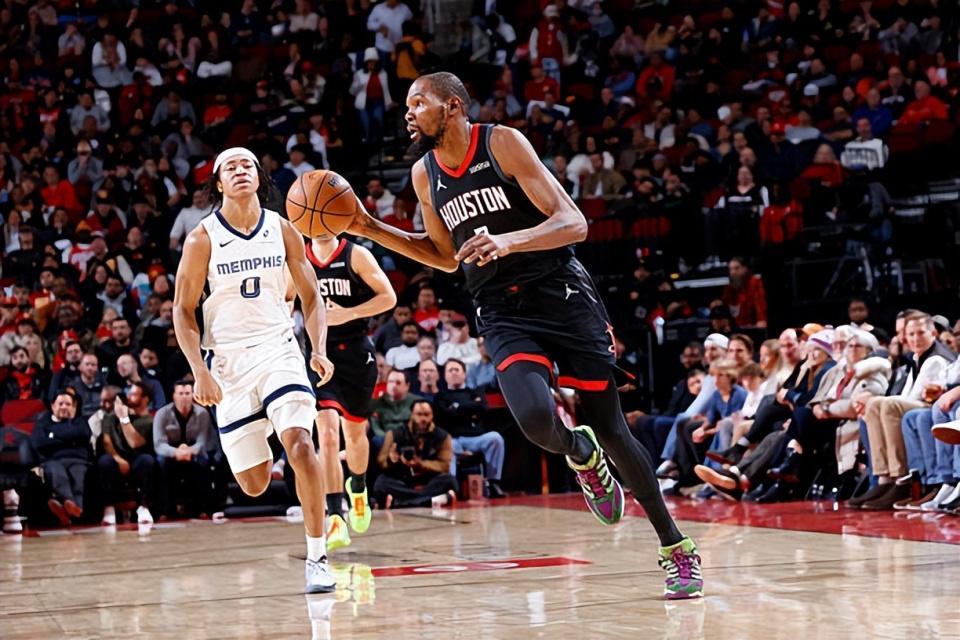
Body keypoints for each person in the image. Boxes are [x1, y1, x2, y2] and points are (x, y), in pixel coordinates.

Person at [348, 72, 702, 598]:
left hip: (561, 295)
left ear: (452, 106)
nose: (408, 114)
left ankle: (676, 547)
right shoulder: (425, 173)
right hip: (500, 309)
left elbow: (574, 222)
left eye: (418, 103)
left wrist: (509, 241)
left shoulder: (502, 144)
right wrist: (371, 228)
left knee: (613, 430)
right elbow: (445, 256)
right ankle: (579, 452)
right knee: (537, 421)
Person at [173, 147, 336, 593]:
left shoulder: (282, 228)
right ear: (218, 183)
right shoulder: (202, 238)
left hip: (278, 350)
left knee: (301, 443)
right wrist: (198, 371)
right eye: (230, 167)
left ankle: (318, 557)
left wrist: (318, 349)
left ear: (260, 177)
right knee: (254, 484)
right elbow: (182, 310)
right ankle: (265, 422)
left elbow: (311, 295)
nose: (240, 171)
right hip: (228, 364)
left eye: (247, 165)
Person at [303, 232, 397, 552]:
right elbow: (283, 299)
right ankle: (334, 516)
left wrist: (348, 313)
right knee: (327, 436)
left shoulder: (355, 255)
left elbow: (388, 297)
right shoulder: (298, 258)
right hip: (319, 355)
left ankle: (357, 487)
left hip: (356, 352)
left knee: (355, 434)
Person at [434, 358, 506, 498]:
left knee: (495, 438)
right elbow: (445, 415)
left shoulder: (476, 392)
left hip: (476, 438)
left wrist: (457, 407)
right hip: (453, 439)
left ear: (464, 374)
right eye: (450, 370)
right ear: (445, 375)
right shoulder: (440, 397)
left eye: (457, 369)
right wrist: (470, 408)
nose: (454, 373)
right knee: (447, 445)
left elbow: (483, 408)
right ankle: (451, 488)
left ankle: (493, 483)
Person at [374, 400, 458, 508]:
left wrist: (421, 463)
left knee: (450, 481)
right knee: (381, 483)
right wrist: (391, 460)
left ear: (432, 415)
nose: (423, 418)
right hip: (402, 479)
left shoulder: (443, 436)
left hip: (429, 480)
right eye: (419, 414)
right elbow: (381, 461)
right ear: (412, 415)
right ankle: (428, 501)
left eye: (427, 415)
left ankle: (401, 503)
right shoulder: (395, 434)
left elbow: (444, 466)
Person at [153, 380, 214, 519]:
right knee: (161, 463)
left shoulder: (202, 413)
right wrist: (176, 452)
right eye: (180, 393)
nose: (184, 397)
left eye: (187, 393)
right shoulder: (162, 414)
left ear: (193, 395)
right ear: (174, 396)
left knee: (204, 461)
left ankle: (203, 508)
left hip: (193, 451)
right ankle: (165, 510)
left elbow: (202, 441)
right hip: (170, 451)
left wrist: (189, 451)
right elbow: (159, 444)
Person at [98, 382, 157, 526]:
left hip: (136, 457)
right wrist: (117, 458)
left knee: (148, 461)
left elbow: (135, 443)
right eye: (129, 393)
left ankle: (143, 507)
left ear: (145, 399)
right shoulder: (111, 417)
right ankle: (109, 508)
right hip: (116, 457)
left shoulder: (149, 421)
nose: (129, 397)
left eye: (134, 394)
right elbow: (106, 441)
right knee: (104, 462)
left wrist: (124, 419)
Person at [30, 392, 92, 526]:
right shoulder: (43, 422)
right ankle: (73, 506)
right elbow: (38, 442)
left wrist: (53, 435)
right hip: (53, 461)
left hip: (78, 460)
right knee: (56, 472)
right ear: (53, 406)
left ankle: (66, 510)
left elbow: (83, 434)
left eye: (68, 404)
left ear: (74, 407)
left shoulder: (80, 421)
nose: (64, 407)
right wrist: (70, 439)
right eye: (60, 404)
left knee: (78, 475)